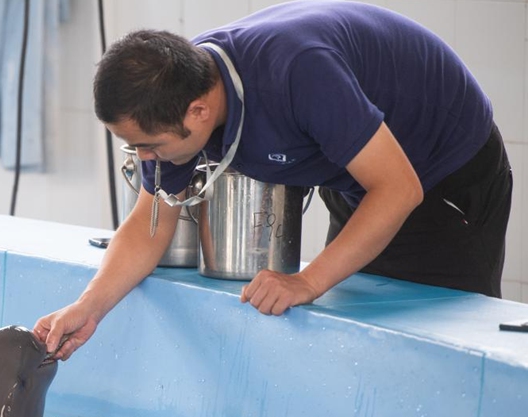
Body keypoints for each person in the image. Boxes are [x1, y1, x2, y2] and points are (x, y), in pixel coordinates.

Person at [33, 1, 512, 361]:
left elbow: (399, 188)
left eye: (150, 147)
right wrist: (88, 308)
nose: (144, 158)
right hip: (361, 176)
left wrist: (307, 281)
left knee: (436, 348)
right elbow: (150, 222)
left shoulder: (298, 71)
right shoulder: (176, 92)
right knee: (366, 333)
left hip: (444, 172)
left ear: (198, 112)